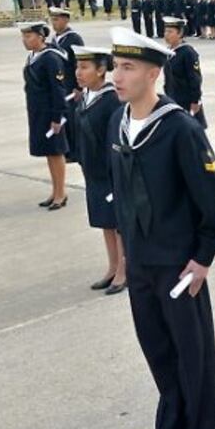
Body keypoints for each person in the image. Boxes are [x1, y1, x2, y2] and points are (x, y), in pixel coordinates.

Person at [107, 27, 215, 429]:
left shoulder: (179, 127)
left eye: (128, 67)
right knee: (157, 347)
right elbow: (123, 196)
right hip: (141, 261)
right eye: (116, 66)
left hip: (180, 264)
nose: (117, 76)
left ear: (154, 73)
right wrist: (125, 254)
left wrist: (202, 259)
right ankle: (173, 423)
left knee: (191, 350)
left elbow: (213, 202)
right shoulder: (119, 121)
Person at [72, 45, 127, 294]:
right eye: (78, 67)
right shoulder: (86, 96)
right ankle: (113, 266)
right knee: (104, 221)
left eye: (84, 67)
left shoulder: (111, 99)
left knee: (118, 223)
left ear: (101, 70)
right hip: (92, 171)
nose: (78, 72)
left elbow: (118, 139)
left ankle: (124, 270)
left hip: (111, 172)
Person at [19, 21, 70, 210]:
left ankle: (61, 193)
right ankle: (55, 190)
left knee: (56, 152)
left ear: (41, 36)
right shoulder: (33, 56)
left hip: (50, 113)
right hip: (38, 113)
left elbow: (58, 90)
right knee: (49, 153)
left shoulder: (50, 58)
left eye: (29, 36)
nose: (25, 40)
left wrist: (57, 117)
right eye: (23, 37)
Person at [49, 7, 84, 162]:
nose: (53, 23)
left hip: (71, 85)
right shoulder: (55, 39)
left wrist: (80, 87)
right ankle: (67, 149)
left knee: (72, 119)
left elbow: (80, 63)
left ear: (66, 20)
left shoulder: (74, 39)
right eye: (52, 19)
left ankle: (75, 152)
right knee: (63, 118)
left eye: (57, 19)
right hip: (60, 86)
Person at [161, 16, 206, 129]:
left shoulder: (187, 52)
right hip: (172, 98)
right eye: (165, 31)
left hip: (186, 100)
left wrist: (195, 100)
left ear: (180, 33)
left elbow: (195, 78)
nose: (166, 34)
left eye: (170, 32)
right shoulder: (168, 52)